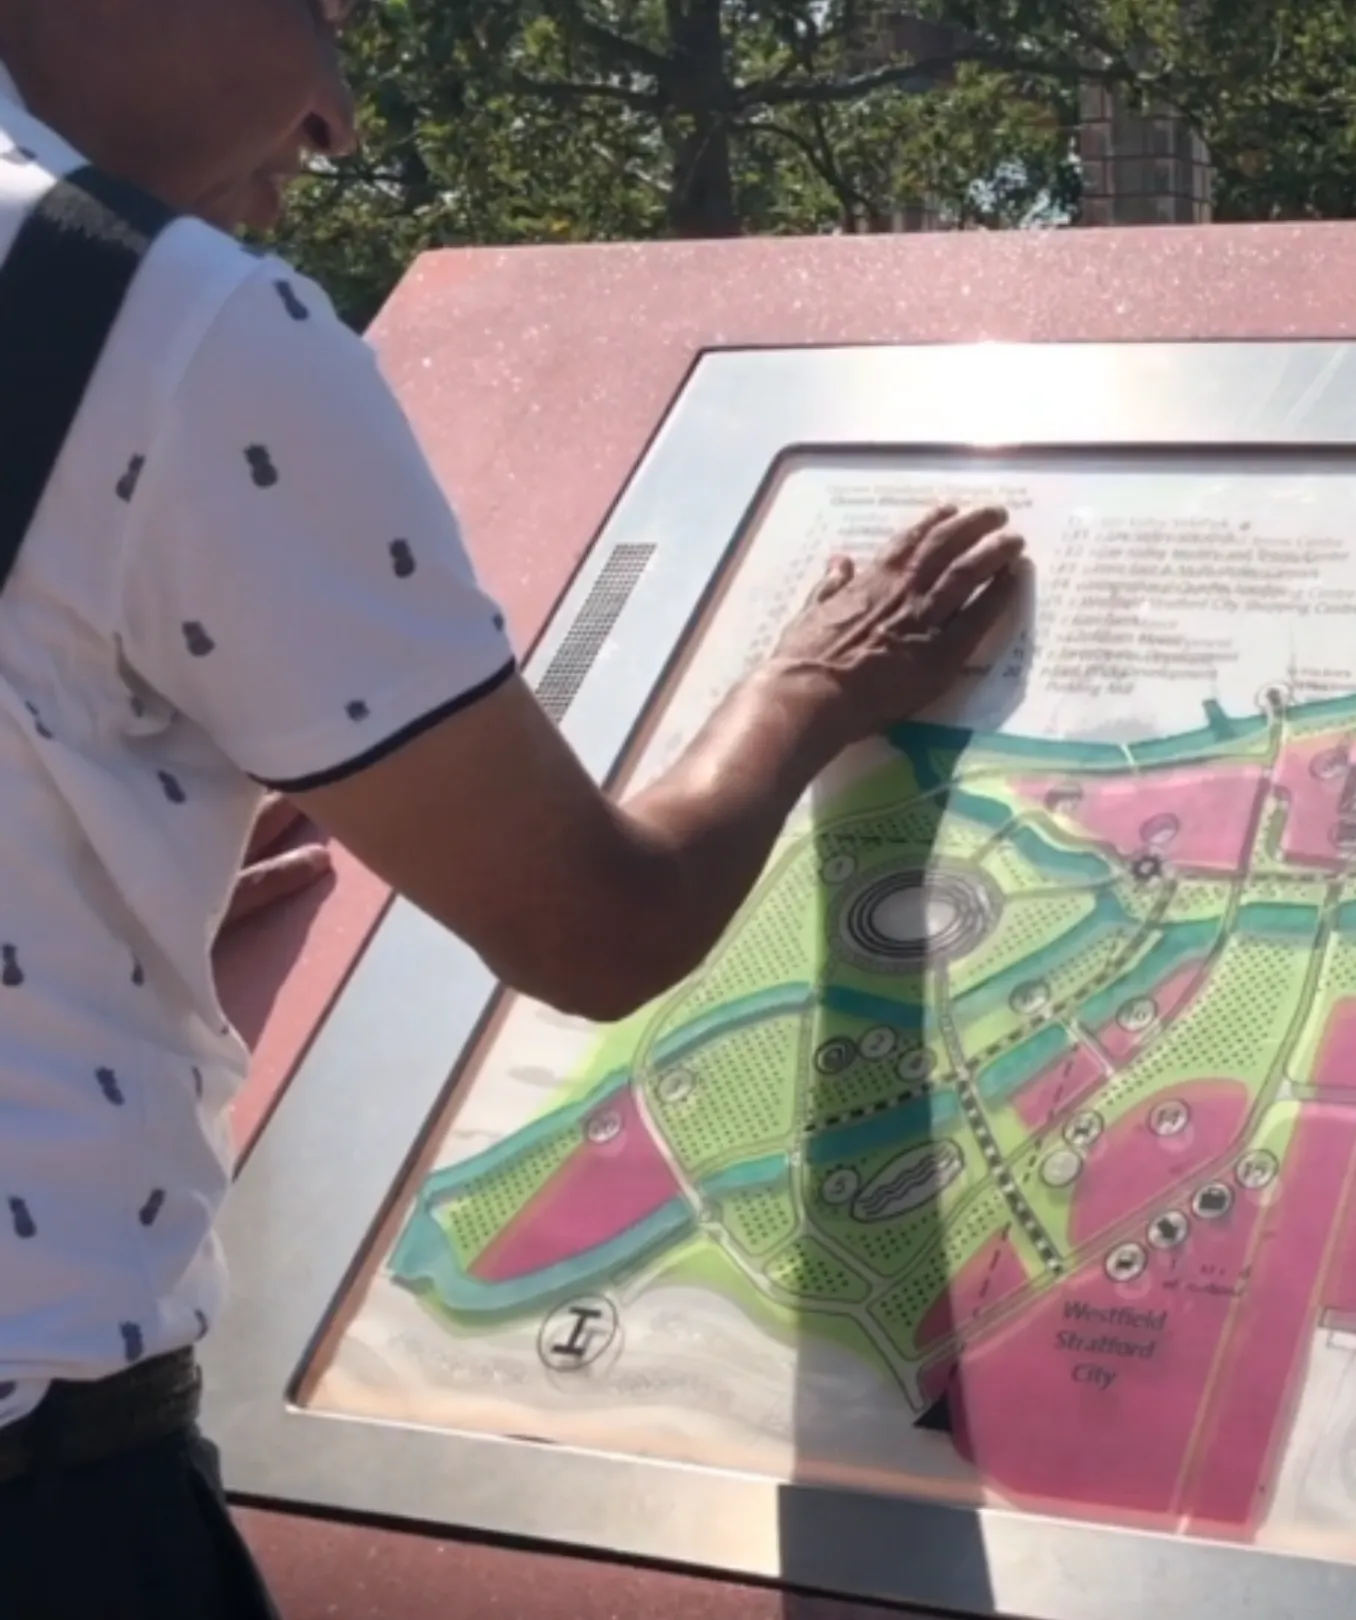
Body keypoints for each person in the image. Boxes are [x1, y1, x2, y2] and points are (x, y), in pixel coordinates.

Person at [0, 2, 1031, 1613]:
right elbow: (601, 928)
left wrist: (117, 853)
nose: (337, 113)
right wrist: (815, 688)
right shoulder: (165, 320)